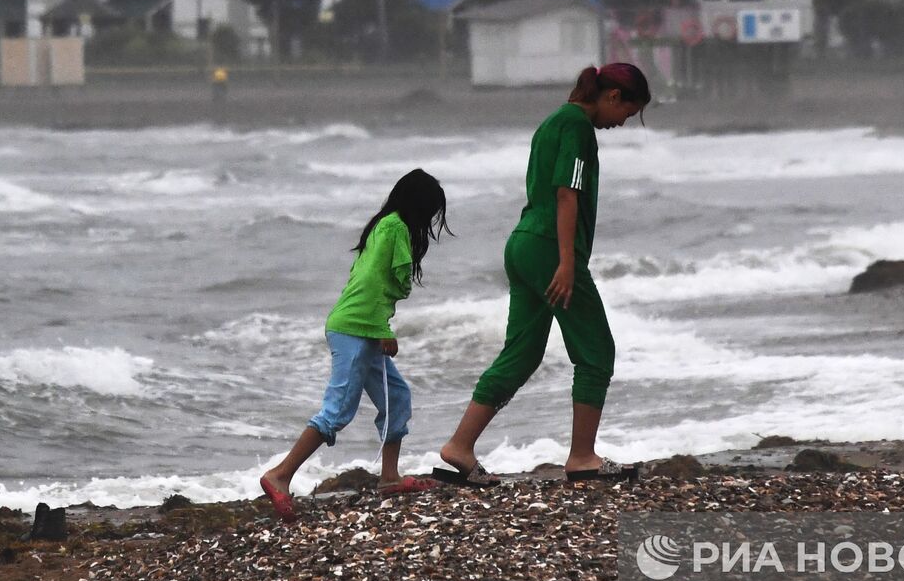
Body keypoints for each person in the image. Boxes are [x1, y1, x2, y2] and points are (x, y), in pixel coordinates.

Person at [433, 63, 651, 487]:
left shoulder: (553, 120)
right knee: (596, 350)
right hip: (550, 248)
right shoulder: (577, 126)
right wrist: (567, 263)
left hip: (523, 244)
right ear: (611, 97)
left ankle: (459, 447)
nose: (623, 122)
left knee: (523, 352)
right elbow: (566, 192)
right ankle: (583, 457)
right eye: (628, 111)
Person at [260, 169, 452, 521]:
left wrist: (378, 326)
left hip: (358, 326)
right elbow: (372, 284)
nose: (430, 220)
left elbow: (367, 278)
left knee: (397, 398)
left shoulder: (383, 224)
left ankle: (389, 478)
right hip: (356, 328)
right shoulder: (394, 227)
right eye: (430, 210)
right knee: (337, 411)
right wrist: (382, 329)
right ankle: (280, 475)